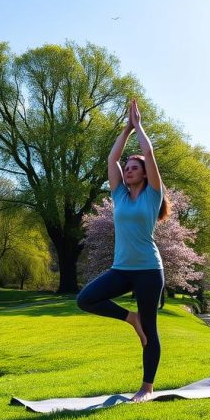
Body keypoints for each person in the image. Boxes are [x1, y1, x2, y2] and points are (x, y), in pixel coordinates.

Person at [76, 99, 171, 402]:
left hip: (148, 270)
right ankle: (131, 318)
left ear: (144, 174)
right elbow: (111, 158)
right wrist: (127, 128)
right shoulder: (119, 194)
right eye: (126, 168)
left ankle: (146, 387)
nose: (128, 170)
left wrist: (140, 126)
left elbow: (150, 154)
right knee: (86, 299)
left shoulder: (153, 195)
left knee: (151, 332)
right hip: (121, 269)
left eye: (134, 168)